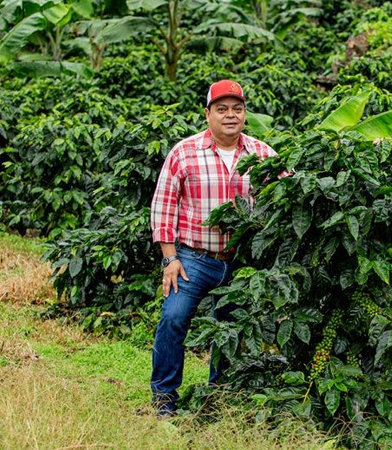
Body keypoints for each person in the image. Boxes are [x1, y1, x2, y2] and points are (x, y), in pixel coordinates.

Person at [149, 79, 277, 416]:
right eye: (222, 109)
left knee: (231, 330)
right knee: (173, 318)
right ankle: (164, 399)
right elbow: (164, 206)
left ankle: (219, 397)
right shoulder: (184, 152)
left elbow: (288, 192)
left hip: (241, 262)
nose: (230, 115)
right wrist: (170, 259)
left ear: (245, 114)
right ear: (208, 114)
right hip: (194, 259)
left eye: (237, 109)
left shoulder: (263, 154)